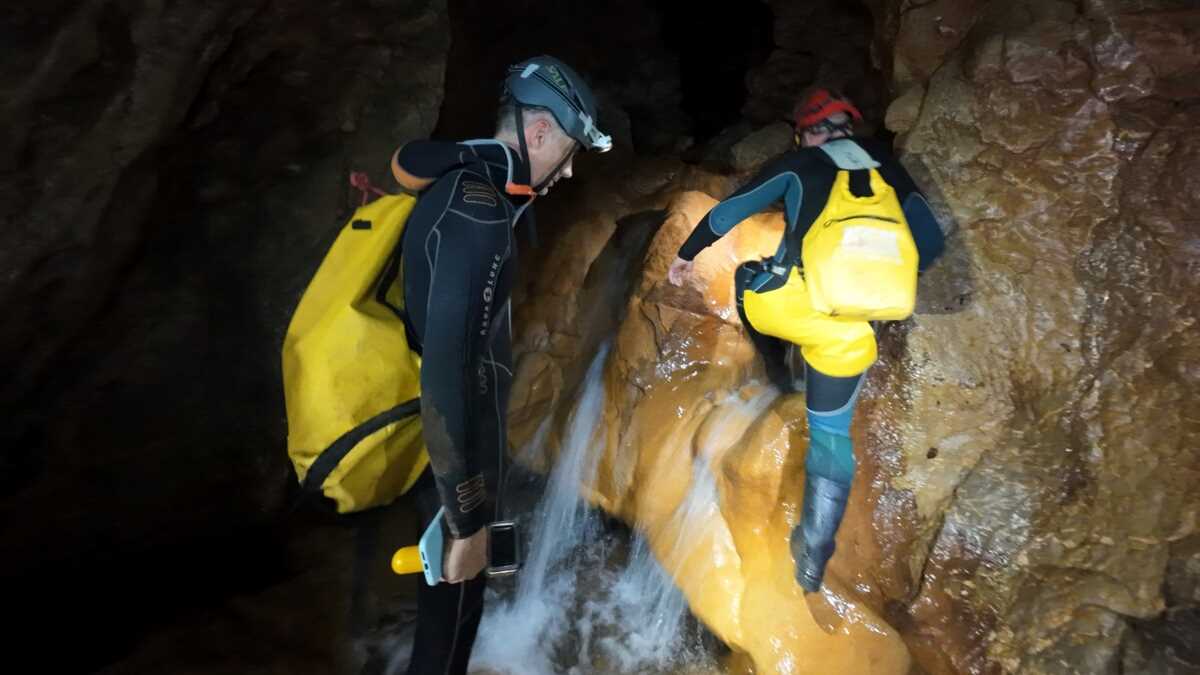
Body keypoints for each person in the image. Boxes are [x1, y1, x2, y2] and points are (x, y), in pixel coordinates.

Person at [667, 87, 945, 593]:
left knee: (752, 278)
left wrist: (686, 256)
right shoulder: (883, 161)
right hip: (855, 331)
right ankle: (812, 559)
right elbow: (930, 241)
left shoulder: (799, 164)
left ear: (804, 132)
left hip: (793, 309)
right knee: (832, 435)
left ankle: (777, 374)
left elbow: (727, 214)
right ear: (849, 127)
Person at [389, 55, 611, 673]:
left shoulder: (465, 181)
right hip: (452, 460)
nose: (566, 172)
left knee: (447, 623)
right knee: (448, 631)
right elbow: (449, 372)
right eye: (566, 152)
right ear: (537, 132)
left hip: (443, 446)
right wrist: (464, 519)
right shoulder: (478, 209)